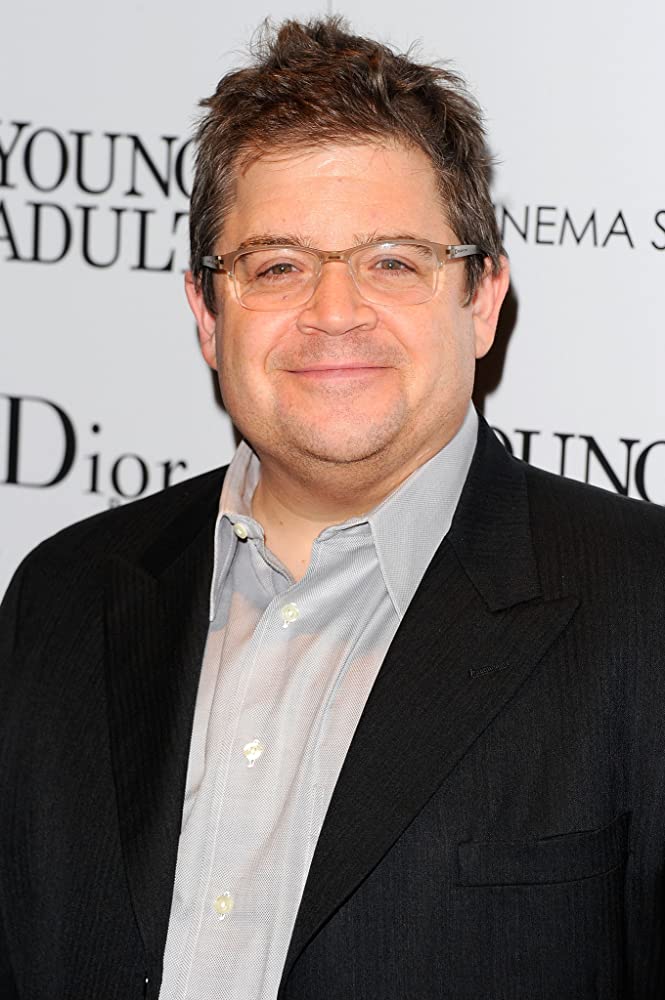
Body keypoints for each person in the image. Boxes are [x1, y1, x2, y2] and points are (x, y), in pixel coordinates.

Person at [1, 16, 664, 1000]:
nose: (335, 312)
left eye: (392, 260)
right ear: (205, 314)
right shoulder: (59, 596)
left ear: (481, 299)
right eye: (277, 265)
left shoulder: (643, 609)